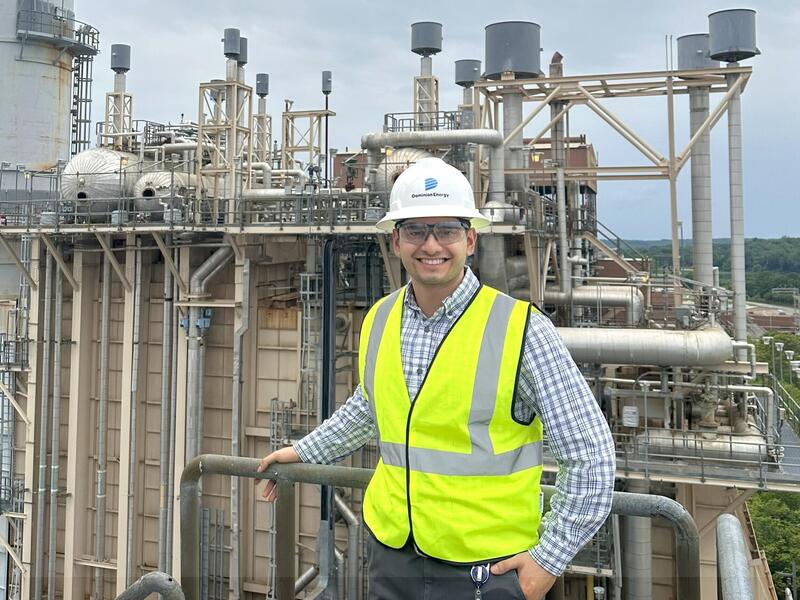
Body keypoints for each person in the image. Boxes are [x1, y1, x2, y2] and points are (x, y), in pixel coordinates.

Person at [257, 157, 615, 600]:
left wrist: (548, 560)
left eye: (445, 230)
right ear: (395, 240)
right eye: (415, 231)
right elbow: (371, 408)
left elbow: (592, 457)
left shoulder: (520, 329)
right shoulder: (381, 318)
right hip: (393, 555)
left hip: (487, 568)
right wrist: (304, 451)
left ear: (470, 239)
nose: (431, 245)